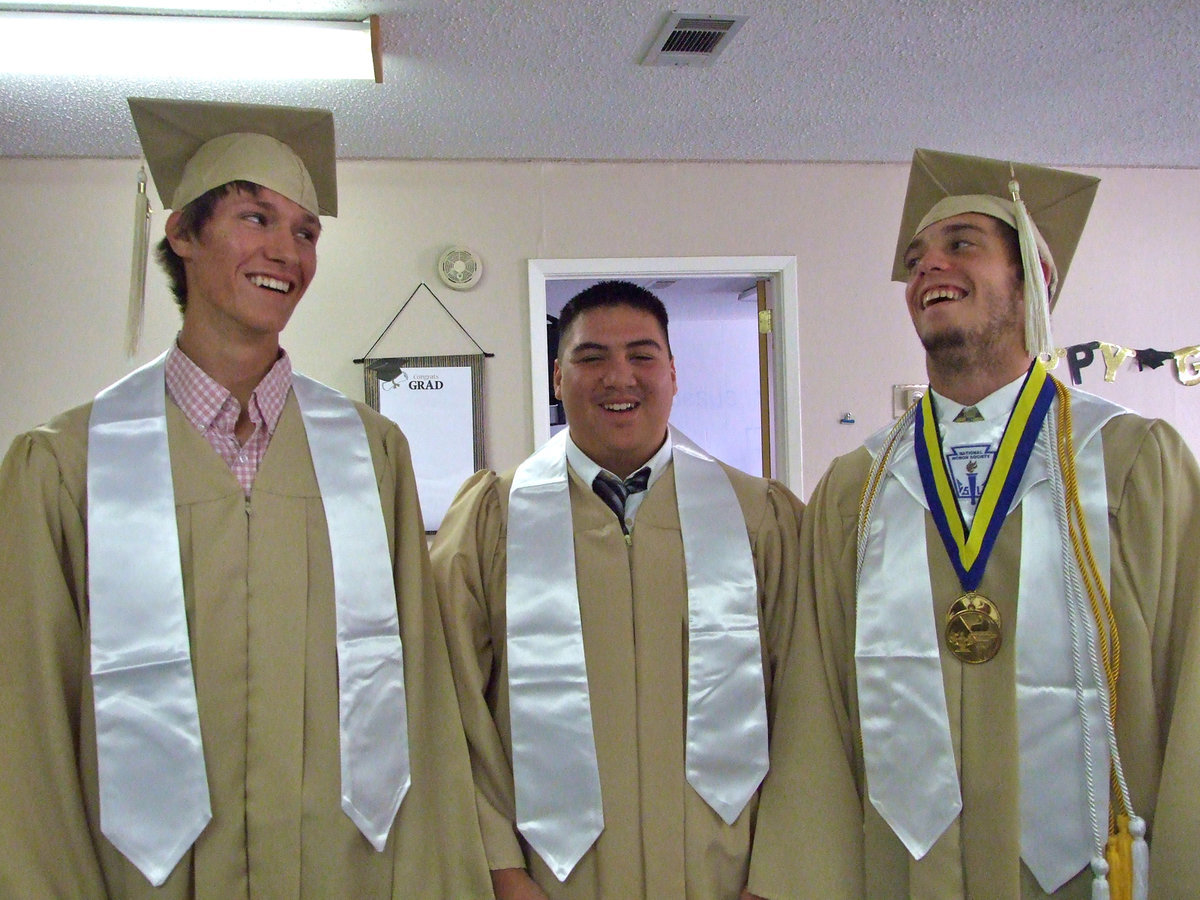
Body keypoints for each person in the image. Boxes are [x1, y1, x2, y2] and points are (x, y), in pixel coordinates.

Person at [0, 97, 491, 898]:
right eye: (255, 217)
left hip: (345, 872)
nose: (287, 251)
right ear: (183, 235)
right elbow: (23, 725)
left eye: (305, 231)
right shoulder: (68, 464)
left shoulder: (370, 455)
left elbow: (421, 697)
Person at [746, 148, 1200, 899]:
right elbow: (816, 702)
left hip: (1088, 868)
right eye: (918, 258)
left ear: (1036, 282)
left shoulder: (1131, 462)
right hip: (907, 869)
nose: (929, 268)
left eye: (962, 244)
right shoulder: (858, 484)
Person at [430, 280, 804, 899]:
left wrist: (779, 875)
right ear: (557, 377)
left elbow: (805, 697)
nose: (618, 377)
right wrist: (498, 867)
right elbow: (447, 700)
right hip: (547, 878)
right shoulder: (492, 519)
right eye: (591, 357)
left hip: (725, 872)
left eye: (642, 355)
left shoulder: (757, 517)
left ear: (674, 372)